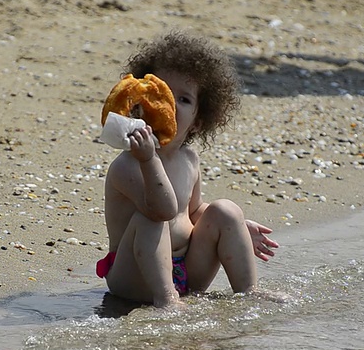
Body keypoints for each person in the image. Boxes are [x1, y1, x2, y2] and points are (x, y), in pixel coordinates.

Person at [96, 30, 279, 307]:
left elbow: (192, 211)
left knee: (225, 210)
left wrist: (236, 228)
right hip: (134, 276)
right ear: (140, 105)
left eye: (183, 100)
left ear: (197, 121)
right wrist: (149, 160)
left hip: (186, 271)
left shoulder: (189, 159)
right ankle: (166, 299)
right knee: (151, 218)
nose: (169, 104)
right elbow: (164, 210)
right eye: (162, 93)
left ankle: (249, 292)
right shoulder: (127, 164)